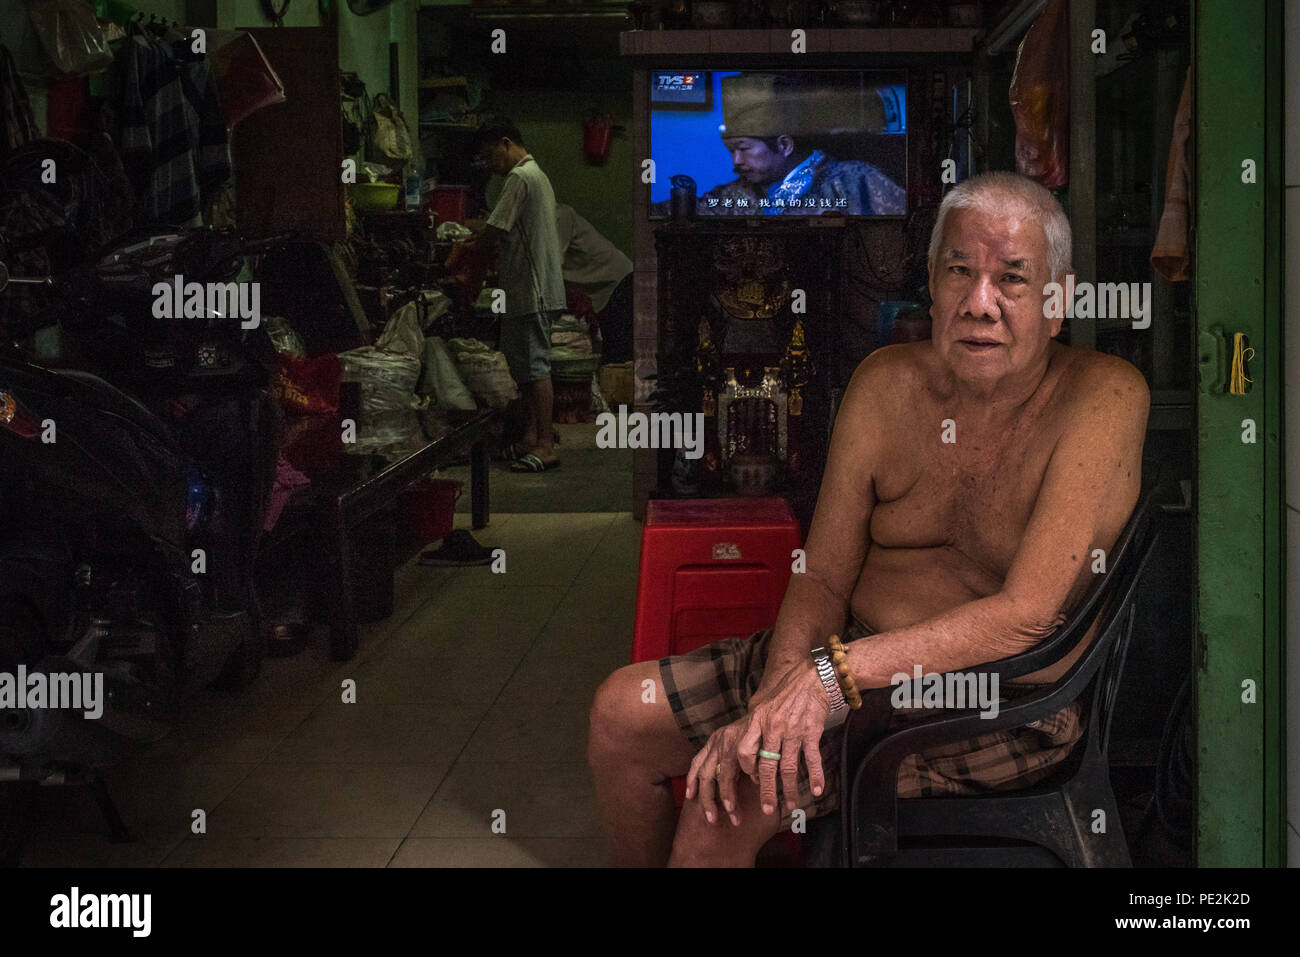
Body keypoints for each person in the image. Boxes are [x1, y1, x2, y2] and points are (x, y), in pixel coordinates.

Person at [587, 171, 1150, 866]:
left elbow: (1026, 613)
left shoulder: (1104, 395)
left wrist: (829, 679)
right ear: (933, 287)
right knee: (618, 714)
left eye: (1012, 279)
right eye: (959, 273)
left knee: (727, 797)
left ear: (1058, 302)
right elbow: (822, 573)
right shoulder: (884, 383)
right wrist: (777, 695)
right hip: (852, 662)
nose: (980, 303)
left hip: (1001, 700)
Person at [462, 118, 566, 473]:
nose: (490, 165)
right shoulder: (536, 174)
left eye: (491, 155)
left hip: (531, 289)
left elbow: (494, 230)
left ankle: (546, 445)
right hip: (529, 287)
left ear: (505, 143)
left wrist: (465, 246)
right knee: (525, 368)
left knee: (536, 368)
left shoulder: (520, 177)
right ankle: (530, 437)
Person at [657, 73, 906, 217]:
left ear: (784, 145)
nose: (736, 161)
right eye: (731, 151)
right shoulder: (736, 194)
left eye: (743, 148)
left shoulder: (855, 180)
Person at [555, 202, 633, 363]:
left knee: (617, 356)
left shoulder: (560, 215)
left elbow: (550, 266)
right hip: (601, 286)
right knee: (611, 354)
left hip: (618, 282)